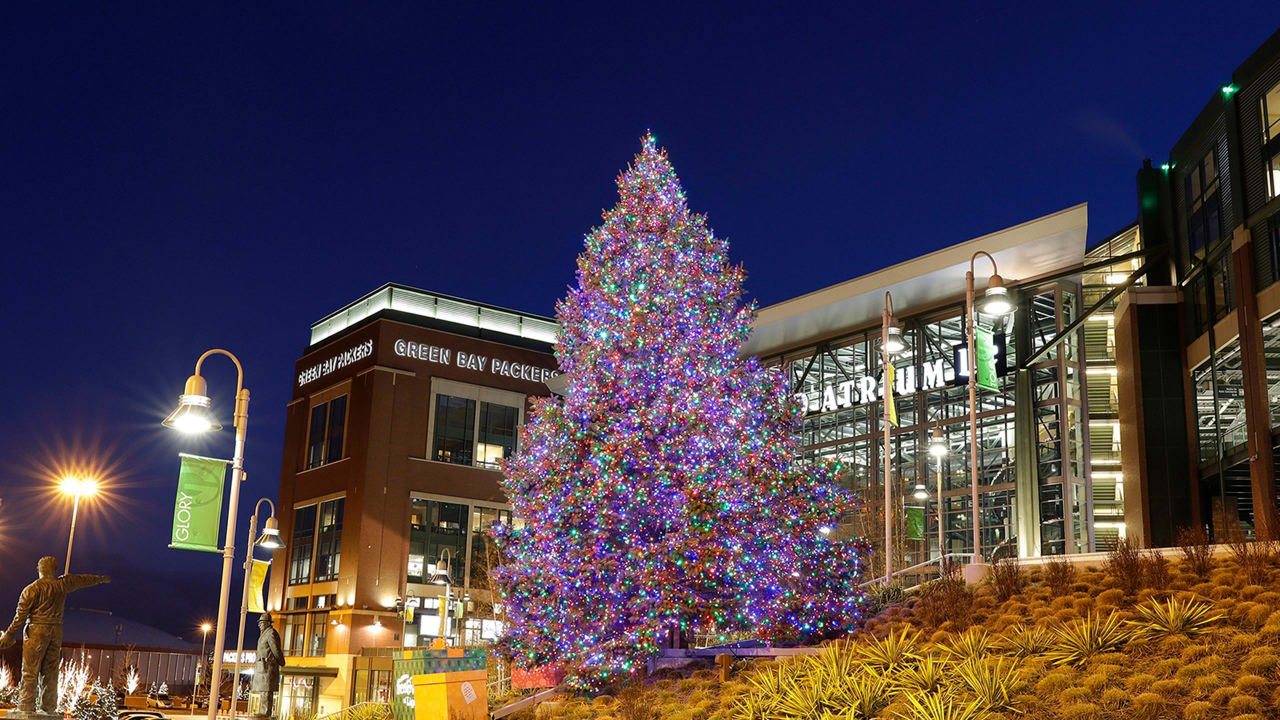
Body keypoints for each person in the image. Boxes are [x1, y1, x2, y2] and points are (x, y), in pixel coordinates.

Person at [0, 556, 109, 716]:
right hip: (56, 631)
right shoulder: (62, 585)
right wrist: (100, 579)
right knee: (50, 672)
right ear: (55, 570)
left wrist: (8, 635)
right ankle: (48, 708)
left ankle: (25, 707)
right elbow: (82, 580)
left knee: (30, 671)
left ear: (39, 569)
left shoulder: (32, 589)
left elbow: (20, 617)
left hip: (36, 630)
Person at [250, 613, 284, 717]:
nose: (259, 625)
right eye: (259, 623)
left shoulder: (271, 633)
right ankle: (263, 712)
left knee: (266, 691)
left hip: (268, 667)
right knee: (263, 691)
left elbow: (276, 649)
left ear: (268, 623)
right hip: (263, 667)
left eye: (262, 623)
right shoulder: (264, 634)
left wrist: (281, 661)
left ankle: (265, 713)